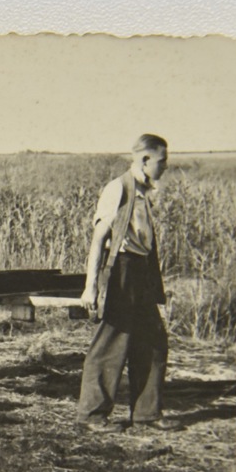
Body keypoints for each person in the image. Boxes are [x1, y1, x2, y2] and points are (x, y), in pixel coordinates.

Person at [77, 134, 181, 432]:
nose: (165, 167)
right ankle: (92, 416)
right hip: (121, 272)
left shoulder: (142, 192)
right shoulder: (118, 188)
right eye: (162, 161)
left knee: (152, 342)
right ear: (145, 160)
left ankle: (147, 413)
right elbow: (99, 240)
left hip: (140, 273)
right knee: (110, 343)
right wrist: (91, 287)